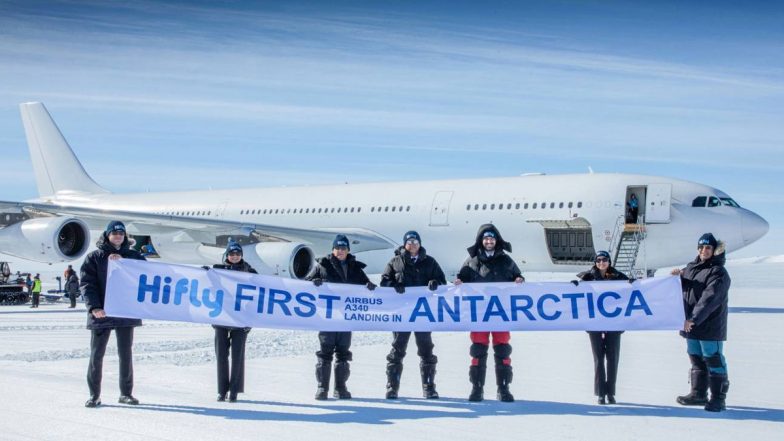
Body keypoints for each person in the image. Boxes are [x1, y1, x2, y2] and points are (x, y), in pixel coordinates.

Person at [454, 224, 524, 402]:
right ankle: (477, 389)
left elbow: (518, 276)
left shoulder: (506, 260)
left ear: (496, 240)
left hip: (500, 313)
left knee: (503, 350)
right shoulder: (472, 260)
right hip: (479, 313)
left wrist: (519, 279)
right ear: (481, 241)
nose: (489, 241)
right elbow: (461, 277)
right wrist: (459, 281)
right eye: (486, 238)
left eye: (492, 238)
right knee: (478, 350)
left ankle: (503, 388)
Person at [80, 221, 146, 408]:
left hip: (125, 311)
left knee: (126, 354)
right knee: (96, 355)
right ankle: (94, 395)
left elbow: (146, 275)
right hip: (102, 313)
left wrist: (126, 263)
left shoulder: (133, 256)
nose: (118, 236)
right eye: (114, 233)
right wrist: (94, 307)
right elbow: (87, 284)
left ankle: (126, 393)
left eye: (121, 233)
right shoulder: (94, 257)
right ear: (107, 235)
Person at [307, 234, 376, 400]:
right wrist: (314, 281)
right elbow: (307, 284)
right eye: (337, 248)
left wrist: (369, 286)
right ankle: (322, 388)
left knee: (343, 352)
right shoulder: (322, 265)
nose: (340, 251)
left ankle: (340, 387)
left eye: (343, 248)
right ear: (333, 249)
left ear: (348, 250)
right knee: (325, 351)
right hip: (328, 317)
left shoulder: (355, 268)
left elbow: (365, 285)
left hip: (346, 317)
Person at [380, 231, 447, 399]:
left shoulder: (430, 262)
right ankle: (392, 387)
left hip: (423, 313)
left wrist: (435, 283)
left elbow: (442, 281)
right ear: (404, 244)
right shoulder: (395, 262)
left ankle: (429, 386)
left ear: (420, 244)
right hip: (402, 313)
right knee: (397, 350)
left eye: (415, 241)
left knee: (426, 350)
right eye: (409, 242)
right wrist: (394, 285)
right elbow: (384, 282)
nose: (412, 244)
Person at [671, 233, 731, 412]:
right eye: (702, 247)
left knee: (713, 359)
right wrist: (677, 278)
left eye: (708, 248)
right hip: (691, 325)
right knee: (696, 358)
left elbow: (709, 299)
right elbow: (687, 289)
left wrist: (693, 319)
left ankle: (718, 398)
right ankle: (698, 394)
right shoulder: (691, 268)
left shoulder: (719, 273)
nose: (704, 251)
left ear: (714, 250)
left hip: (709, 325)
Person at [575, 250, 631, 405]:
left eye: (604, 260)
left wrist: (635, 283)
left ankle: (611, 392)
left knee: (612, 358)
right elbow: (577, 293)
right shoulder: (587, 277)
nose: (601, 263)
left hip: (614, 322)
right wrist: (574, 286)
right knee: (599, 358)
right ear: (595, 262)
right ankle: (600, 393)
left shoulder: (619, 277)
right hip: (595, 323)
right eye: (598, 260)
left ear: (609, 261)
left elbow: (631, 290)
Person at [210, 241, 257, 402]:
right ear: (227, 255)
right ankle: (221, 390)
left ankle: (234, 390)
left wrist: (249, 320)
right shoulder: (218, 270)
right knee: (221, 356)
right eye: (232, 254)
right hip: (222, 318)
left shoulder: (250, 272)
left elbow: (257, 297)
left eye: (237, 254)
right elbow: (207, 284)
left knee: (237, 356)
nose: (235, 257)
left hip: (241, 320)